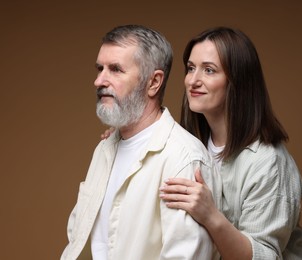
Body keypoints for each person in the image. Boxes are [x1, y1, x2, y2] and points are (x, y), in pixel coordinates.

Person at [61, 24, 221, 260]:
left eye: (115, 69)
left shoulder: (183, 158)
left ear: (154, 82)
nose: (99, 81)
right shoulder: (104, 149)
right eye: (100, 68)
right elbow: (79, 239)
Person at [158, 27, 302, 259]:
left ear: (237, 81)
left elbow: (264, 256)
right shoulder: (189, 144)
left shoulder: (269, 163)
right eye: (190, 68)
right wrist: (123, 140)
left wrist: (211, 215)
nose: (193, 81)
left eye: (209, 70)